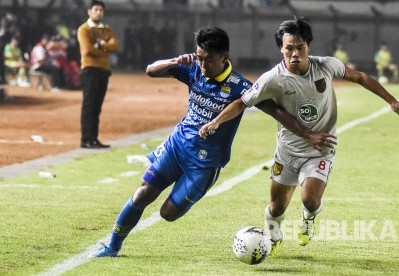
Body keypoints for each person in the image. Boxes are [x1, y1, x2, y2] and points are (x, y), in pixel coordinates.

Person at [199, 17, 399, 257]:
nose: (294, 54)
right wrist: (216, 121)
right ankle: (274, 236)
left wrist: (392, 101)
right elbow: (242, 103)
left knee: (310, 200)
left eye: (300, 47)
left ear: (308, 47)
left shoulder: (326, 66)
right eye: (289, 48)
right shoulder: (272, 79)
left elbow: (361, 77)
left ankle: (308, 219)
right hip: (288, 151)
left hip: (321, 148)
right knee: (276, 207)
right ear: (281, 49)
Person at [88, 26, 308, 258]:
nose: (202, 65)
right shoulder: (193, 69)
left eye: (208, 60)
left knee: (168, 213)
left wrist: (308, 133)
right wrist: (176, 61)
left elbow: (274, 110)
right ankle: (112, 246)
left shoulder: (240, 87)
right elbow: (151, 71)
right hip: (176, 147)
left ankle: (184, 191)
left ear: (225, 57)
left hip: (204, 165)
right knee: (143, 193)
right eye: (199, 58)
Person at [77, 0, 119, 149]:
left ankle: (94, 139)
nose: (98, 12)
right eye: (95, 9)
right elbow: (87, 50)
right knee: (89, 106)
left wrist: (101, 46)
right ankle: (86, 139)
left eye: (101, 10)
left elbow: (115, 46)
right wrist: (105, 49)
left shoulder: (106, 29)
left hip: (103, 71)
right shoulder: (84, 29)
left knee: (97, 106)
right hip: (89, 70)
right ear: (89, 12)